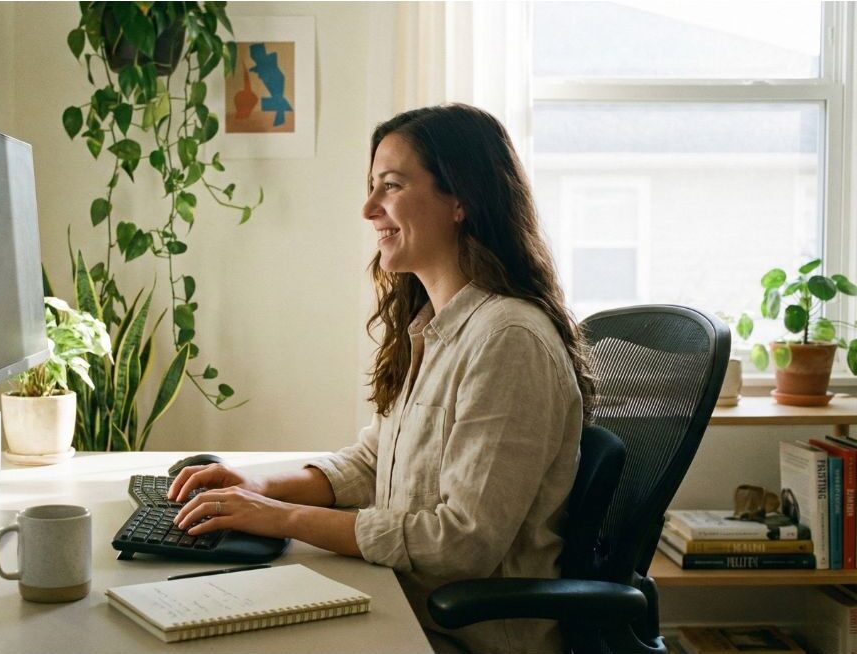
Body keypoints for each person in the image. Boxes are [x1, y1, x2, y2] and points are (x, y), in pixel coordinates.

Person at [168, 103, 596, 654]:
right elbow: (373, 463)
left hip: (463, 639)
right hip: (402, 606)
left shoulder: (507, 340)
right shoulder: (435, 328)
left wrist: (285, 519)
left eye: (390, 186)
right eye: (373, 187)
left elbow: (462, 541)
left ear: (461, 199)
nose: (370, 208)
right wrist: (256, 487)